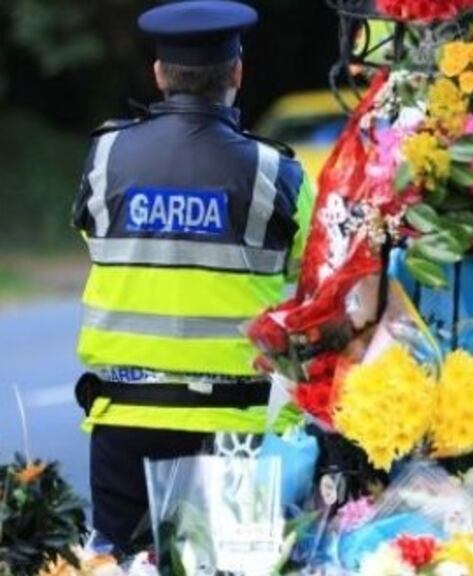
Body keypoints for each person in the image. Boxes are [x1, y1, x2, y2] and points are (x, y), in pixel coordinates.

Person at [70, 0, 313, 553]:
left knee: (124, 565)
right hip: (238, 428)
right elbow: (313, 283)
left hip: (125, 419)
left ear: (159, 75)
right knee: (235, 564)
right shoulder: (278, 173)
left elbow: (95, 237)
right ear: (237, 73)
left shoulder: (105, 157)